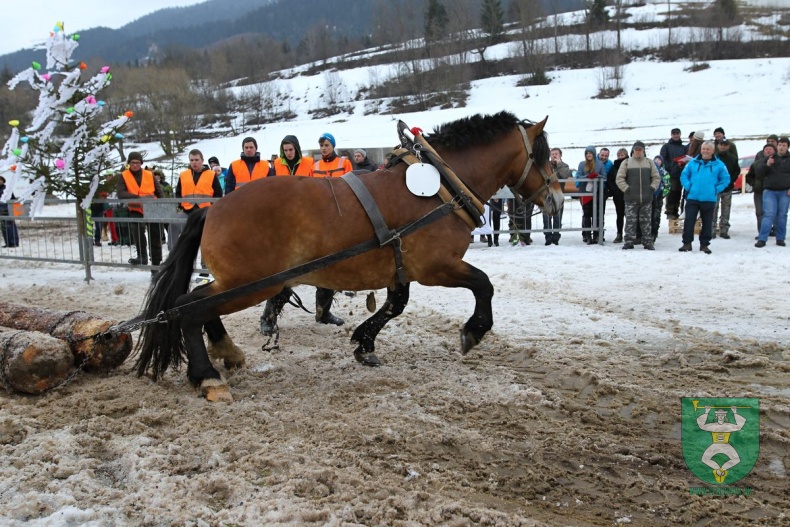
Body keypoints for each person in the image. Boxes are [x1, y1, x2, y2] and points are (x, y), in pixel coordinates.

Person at [678, 141, 730, 254]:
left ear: (712, 151)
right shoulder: (692, 163)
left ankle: (704, 244)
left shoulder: (719, 165)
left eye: (708, 149)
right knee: (689, 221)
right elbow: (684, 175)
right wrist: (688, 186)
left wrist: (716, 189)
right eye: (704, 149)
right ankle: (687, 243)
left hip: (709, 199)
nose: (705, 151)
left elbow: (726, 179)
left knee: (707, 223)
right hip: (693, 197)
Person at [117, 151, 164, 266]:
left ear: (141, 163)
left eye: (137, 162)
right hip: (135, 208)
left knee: (155, 235)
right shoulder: (123, 175)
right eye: (132, 162)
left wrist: (162, 205)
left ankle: (156, 261)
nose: (135, 165)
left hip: (152, 208)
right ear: (129, 163)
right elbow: (121, 193)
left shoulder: (149, 174)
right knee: (137, 234)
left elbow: (159, 191)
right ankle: (141, 257)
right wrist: (137, 198)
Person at [616, 141, 659, 250]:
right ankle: (629, 242)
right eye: (636, 149)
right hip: (630, 198)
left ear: (643, 150)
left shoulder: (649, 162)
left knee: (646, 222)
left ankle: (648, 242)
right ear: (633, 150)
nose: (638, 151)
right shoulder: (626, 162)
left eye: (640, 149)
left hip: (646, 198)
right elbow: (619, 178)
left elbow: (656, 177)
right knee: (630, 222)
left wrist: (652, 188)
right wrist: (626, 189)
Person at [754, 136, 790, 248]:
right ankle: (762, 239)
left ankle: (780, 238)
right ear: (777, 146)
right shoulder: (770, 158)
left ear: (788, 147)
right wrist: (767, 164)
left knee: (782, 215)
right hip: (769, 191)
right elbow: (758, 173)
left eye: (784, 145)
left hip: (785, 191)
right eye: (780, 145)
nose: (781, 147)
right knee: (769, 214)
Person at [575, 145, 604, 244]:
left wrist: (597, 176)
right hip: (585, 192)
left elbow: (604, 177)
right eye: (587, 153)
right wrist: (588, 176)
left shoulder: (599, 164)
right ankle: (587, 236)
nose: (588, 155)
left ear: (594, 154)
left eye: (590, 153)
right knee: (586, 214)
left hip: (597, 193)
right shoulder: (582, 164)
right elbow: (578, 176)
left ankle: (596, 235)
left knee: (596, 214)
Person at [746, 143, 777, 235]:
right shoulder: (756, 164)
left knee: (773, 212)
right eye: (766, 149)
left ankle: (775, 231)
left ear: (774, 151)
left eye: (770, 149)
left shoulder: (778, 163)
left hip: (774, 191)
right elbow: (749, 176)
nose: (768, 151)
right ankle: (762, 232)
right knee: (760, 213)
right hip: (759, 191)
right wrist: (754, 184)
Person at [712, 138, 739, 239]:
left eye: (725, 145)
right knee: (713, 209)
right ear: (718, 146)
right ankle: (712, 230)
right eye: (721, 145)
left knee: (726, 209)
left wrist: (730, 181)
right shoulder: (713, 158)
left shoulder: (733, 158)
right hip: (715, 188)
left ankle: (724, 230)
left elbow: (736, 171)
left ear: (728, 146)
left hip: (728, 187)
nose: (723, 146)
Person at [543, 147, 570, 245]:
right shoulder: (546, 165)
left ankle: (556, 237)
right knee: (546, 218)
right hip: (547, 196)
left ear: (560, 155)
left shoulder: (564, 166)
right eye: (552, 154)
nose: (554, 156)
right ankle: (548, 237)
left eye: (556, 154)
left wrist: (559, 165)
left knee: (558, 217)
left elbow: (565, 176)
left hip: (558, 196)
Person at [660, 128, 687, 220]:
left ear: (680, 134)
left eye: (677, 134)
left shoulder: (683, 147)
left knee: (678, 193)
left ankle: (676, 211)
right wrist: (671, 167)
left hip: (681, 173)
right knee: (671, 192)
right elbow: (662, 159)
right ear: (671, 135)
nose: (676, 135)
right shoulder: (666, 146)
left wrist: (682, 164)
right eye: (674, 134)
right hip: (670, 173)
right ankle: (670, 212)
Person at [607, 148, 629, 243]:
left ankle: (630, 234)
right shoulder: (614, 166)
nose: (620, 157)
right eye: (619, 155)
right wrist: (614, 190)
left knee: (630, 215)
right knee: (619, 215)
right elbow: (610, 180)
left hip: (629, 194)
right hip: (618, 195)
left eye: (622, 155)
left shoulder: (630, 164)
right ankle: (619, 234)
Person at [649, 155, 671, 242]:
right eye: (656, 159)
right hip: (651, 196)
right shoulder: (650, 171)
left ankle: (655, 231)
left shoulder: (664, 172)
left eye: (659, 160)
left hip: (659, 197)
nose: (657, 161)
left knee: (656, 215)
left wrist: (663, 194)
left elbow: (668, 185)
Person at [0, 175, 20, 248]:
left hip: (7, 210)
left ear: (3, 181)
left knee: (10, 227)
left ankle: (14, 242)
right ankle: (8, 243)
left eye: (0, 180)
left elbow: (13, 199)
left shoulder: (7, 189)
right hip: (1, 211)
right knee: (4, 228)